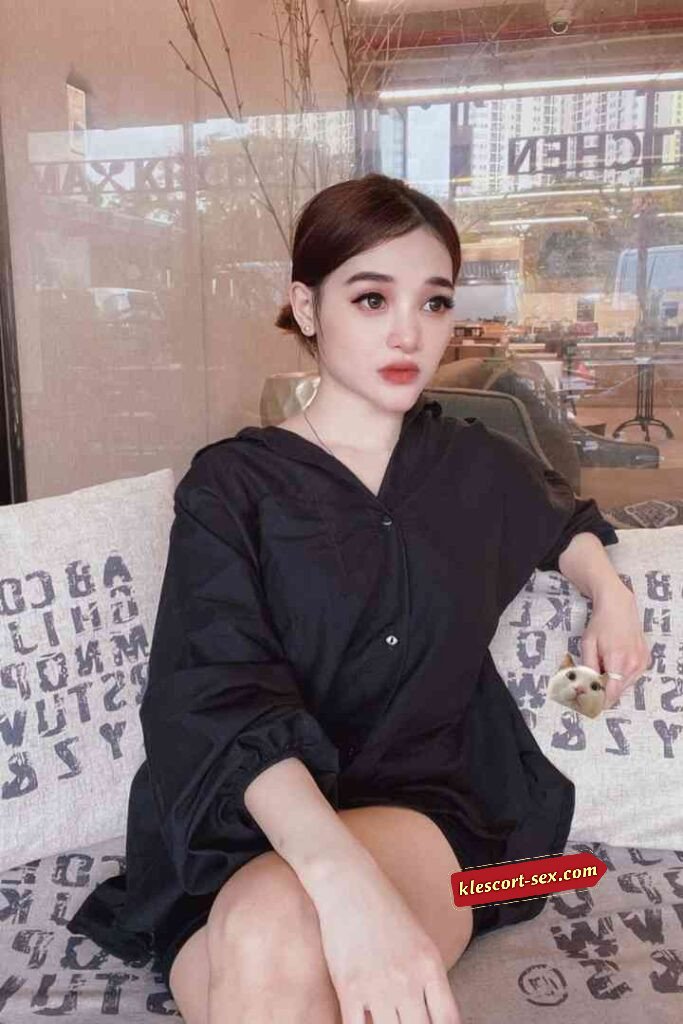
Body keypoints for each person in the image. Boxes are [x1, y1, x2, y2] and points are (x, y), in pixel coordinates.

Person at [66, 173, 649, 1024]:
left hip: (420, 803)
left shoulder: (475, 464)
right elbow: (212, 690)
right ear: (306, 307)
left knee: (272, 932)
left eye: (435, 301)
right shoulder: (232, 486)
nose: (410, 332)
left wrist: (610, 595)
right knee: (272, 939)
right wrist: (344, 884)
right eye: (371, 298)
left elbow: (567, 517)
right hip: (242, 817)